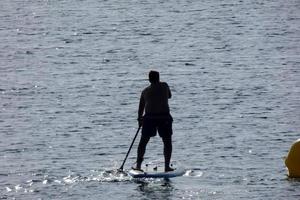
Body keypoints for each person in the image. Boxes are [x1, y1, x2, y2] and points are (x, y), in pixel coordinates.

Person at [134, 70, 174, 172]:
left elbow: (141, 108)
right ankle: (166, 166)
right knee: (167, 141)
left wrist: (139, 119)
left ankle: (138, 165)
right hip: (163, 117)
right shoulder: (164, 86)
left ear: (149, 79)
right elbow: (169, 96)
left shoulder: (145, 91)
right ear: (158, 78)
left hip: (150, 118)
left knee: (143, 141)